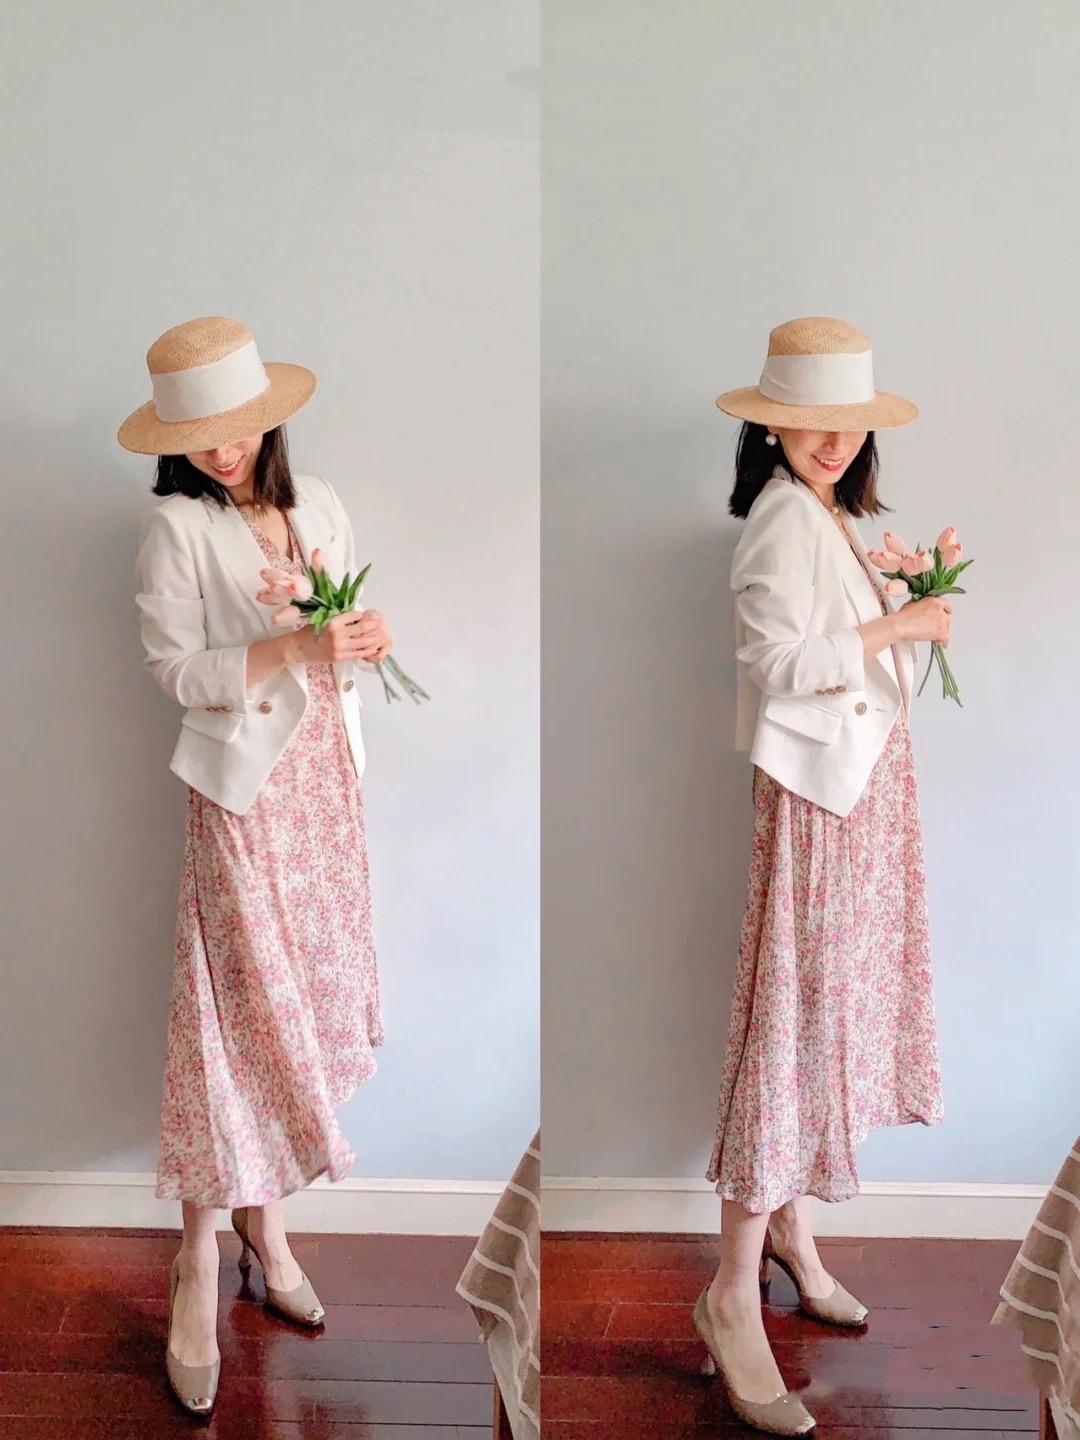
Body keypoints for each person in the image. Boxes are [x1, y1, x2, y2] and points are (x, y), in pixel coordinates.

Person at [121, 315, 393, 1415]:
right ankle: (197, 1258)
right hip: (241, 794)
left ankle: (266, 1227)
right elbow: (174, 670)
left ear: (268, 418)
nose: (222, 448)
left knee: (301, 1007)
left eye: (236, 426)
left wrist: (364, 639)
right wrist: (294, 646)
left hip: (326, 785)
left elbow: (341, 634)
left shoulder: (316, 502)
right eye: (200, 434)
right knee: (230, 1016)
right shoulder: (175, 528)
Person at [694, 317, 947, 1435]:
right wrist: (900, 628)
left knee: (822, 1019)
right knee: (792, 1029)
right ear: (771, 428)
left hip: (858, 801)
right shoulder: (783, 518)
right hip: (818, 808)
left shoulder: (833, 518)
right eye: (808, 422)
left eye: (846, 422)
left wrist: (905, 614)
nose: (830, 439)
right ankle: (727, 1293)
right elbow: (774, 662)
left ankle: (791, 1237)